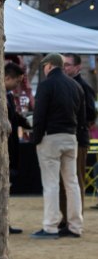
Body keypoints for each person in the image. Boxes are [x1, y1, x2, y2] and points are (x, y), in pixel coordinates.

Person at [31, 53, 84, 238]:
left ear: (49, 66)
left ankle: (50, 226)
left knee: (51, 184)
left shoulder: (46, 85)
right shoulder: (76, 85)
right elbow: (82, 117)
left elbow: (39, 115)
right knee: (72, 183)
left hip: (50, 138)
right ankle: (75, 226)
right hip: (71, 137)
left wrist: (36, 139)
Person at [61, 53, 95, 215]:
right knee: (67, 179)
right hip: (68, 138)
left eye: (68, 64)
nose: (64, 68)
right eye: (63, 64)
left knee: (77, 178)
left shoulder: (83, 86)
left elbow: (90, 115)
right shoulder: (67, 84)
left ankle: (76, 215)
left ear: (77, 67)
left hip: (79, 139)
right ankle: (69, 214)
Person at [4, 61, 31, 234]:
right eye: (17, 81)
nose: (18, 86)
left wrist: (24, 121)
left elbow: (13, 117)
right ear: (7, 77)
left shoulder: (7, 96)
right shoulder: (0, 95)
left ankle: (4, 222)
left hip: (10, 148)